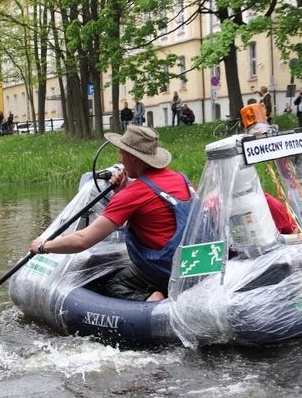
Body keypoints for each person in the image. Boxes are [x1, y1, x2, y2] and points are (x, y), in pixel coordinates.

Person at [29, 126, 195, 301]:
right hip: (189, 263)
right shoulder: (181, 178)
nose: (119, 158)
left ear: (132, 157)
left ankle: (153, 299)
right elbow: (153, 211)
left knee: (114, 285)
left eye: (121, 153)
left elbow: (83, 240)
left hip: (164, 269)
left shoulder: (132, 195)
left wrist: (43, 246)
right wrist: (121, 192)